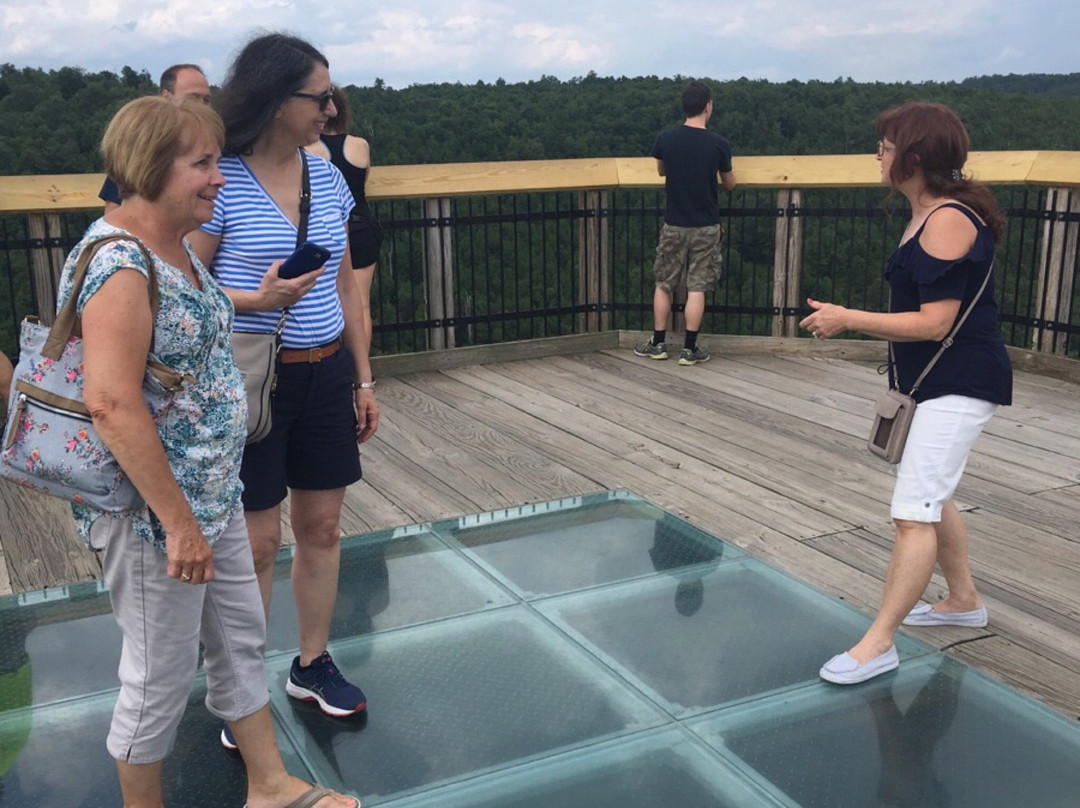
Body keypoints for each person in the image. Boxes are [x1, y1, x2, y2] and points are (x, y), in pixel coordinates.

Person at [64, 95, 357, 808]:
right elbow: (111, 403)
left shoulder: (172, 250)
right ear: (150, 168)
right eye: (202, 164)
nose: (219, 178)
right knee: (158, 674)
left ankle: (271, 787)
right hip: (154, 519)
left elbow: (199, 326)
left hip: (213, 495)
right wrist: (179, 523)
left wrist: (259, 299)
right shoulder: (123, 265)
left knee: (239, 645)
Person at [189, 34, 379, 743]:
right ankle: (241, 694)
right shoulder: (222, 182)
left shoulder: (326, 175)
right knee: (259, 540)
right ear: (275, 100)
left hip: (327, 368)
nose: (331, 109)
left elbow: (343, 285)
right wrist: (258, 299)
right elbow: (188, 291)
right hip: (254, 380)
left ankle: (311, 663)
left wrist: (363, 377)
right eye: (319, 96)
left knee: (322, 527)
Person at [801, 102, 1012, 685]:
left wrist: (848, 318)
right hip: (939, 384)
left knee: (911, 513)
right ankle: (963, 600)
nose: (879, 154)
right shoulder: (926, 211)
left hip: (961, 382)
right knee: (933, 492)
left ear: (914, 158)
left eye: (887, 146)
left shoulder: (946, 218)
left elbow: (935, 323)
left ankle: (880, 643)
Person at [635, 80, 736, 366]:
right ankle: (690, 350)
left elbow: (661, 170)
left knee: (664, 283)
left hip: (674, 224)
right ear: (707, 107)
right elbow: (730, 184)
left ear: (685, 107)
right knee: (697, 287)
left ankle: (658, 343)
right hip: (706, 226)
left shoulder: (666, 139)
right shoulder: (719, 144)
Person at [306, 87, 382, 351]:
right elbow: (363, 184)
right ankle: (362, 373)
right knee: (361, 303)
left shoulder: (310, 151)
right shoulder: (360, 145)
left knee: (334, 299)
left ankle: (337, 362)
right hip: (364, 226)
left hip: (332, 230)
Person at [99, 64, 213, 210]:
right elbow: (113, 212)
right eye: (193, 98)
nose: (202, 107)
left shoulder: (217, 149)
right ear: (166, 96)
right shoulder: (141, 149)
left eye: (207, 100)